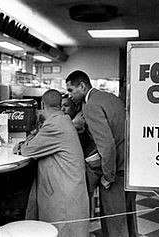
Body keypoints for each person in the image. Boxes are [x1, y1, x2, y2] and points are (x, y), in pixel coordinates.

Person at [66, 70, 138, 237]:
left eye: (71, 90)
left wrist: (108, 176)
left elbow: (107, 146)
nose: (69, 96)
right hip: (129, 167)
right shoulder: (110, 98)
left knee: (114, 224)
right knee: (128, 219)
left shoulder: (90, 105)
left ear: (82, 86)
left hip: (115, 171)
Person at [13, 89, 89, 237]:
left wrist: (21, 144)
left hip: (64, 195)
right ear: (60, 105)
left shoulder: (54, 125)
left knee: (62, 231)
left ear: (42, 104)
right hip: (69, 189)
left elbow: (28, 150)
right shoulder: (63, 119)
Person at [61, 94, 98, 217]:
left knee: (87, 190)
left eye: (66, 106)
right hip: (87, 159)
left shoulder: (79, 119)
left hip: (89, 160)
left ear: (75, 107)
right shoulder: (72, 119)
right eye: (61, 106)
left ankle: (88, 216)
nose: (63, 109)